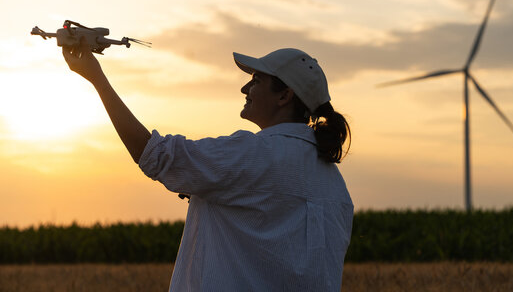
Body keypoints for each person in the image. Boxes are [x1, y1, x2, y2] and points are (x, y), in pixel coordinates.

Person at [63, 38, 354, 291]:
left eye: (256, 80)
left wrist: (96, 78)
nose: (245, 87)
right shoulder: (337, 187)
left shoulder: (252, 152)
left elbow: (153, 154)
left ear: (284, 95)